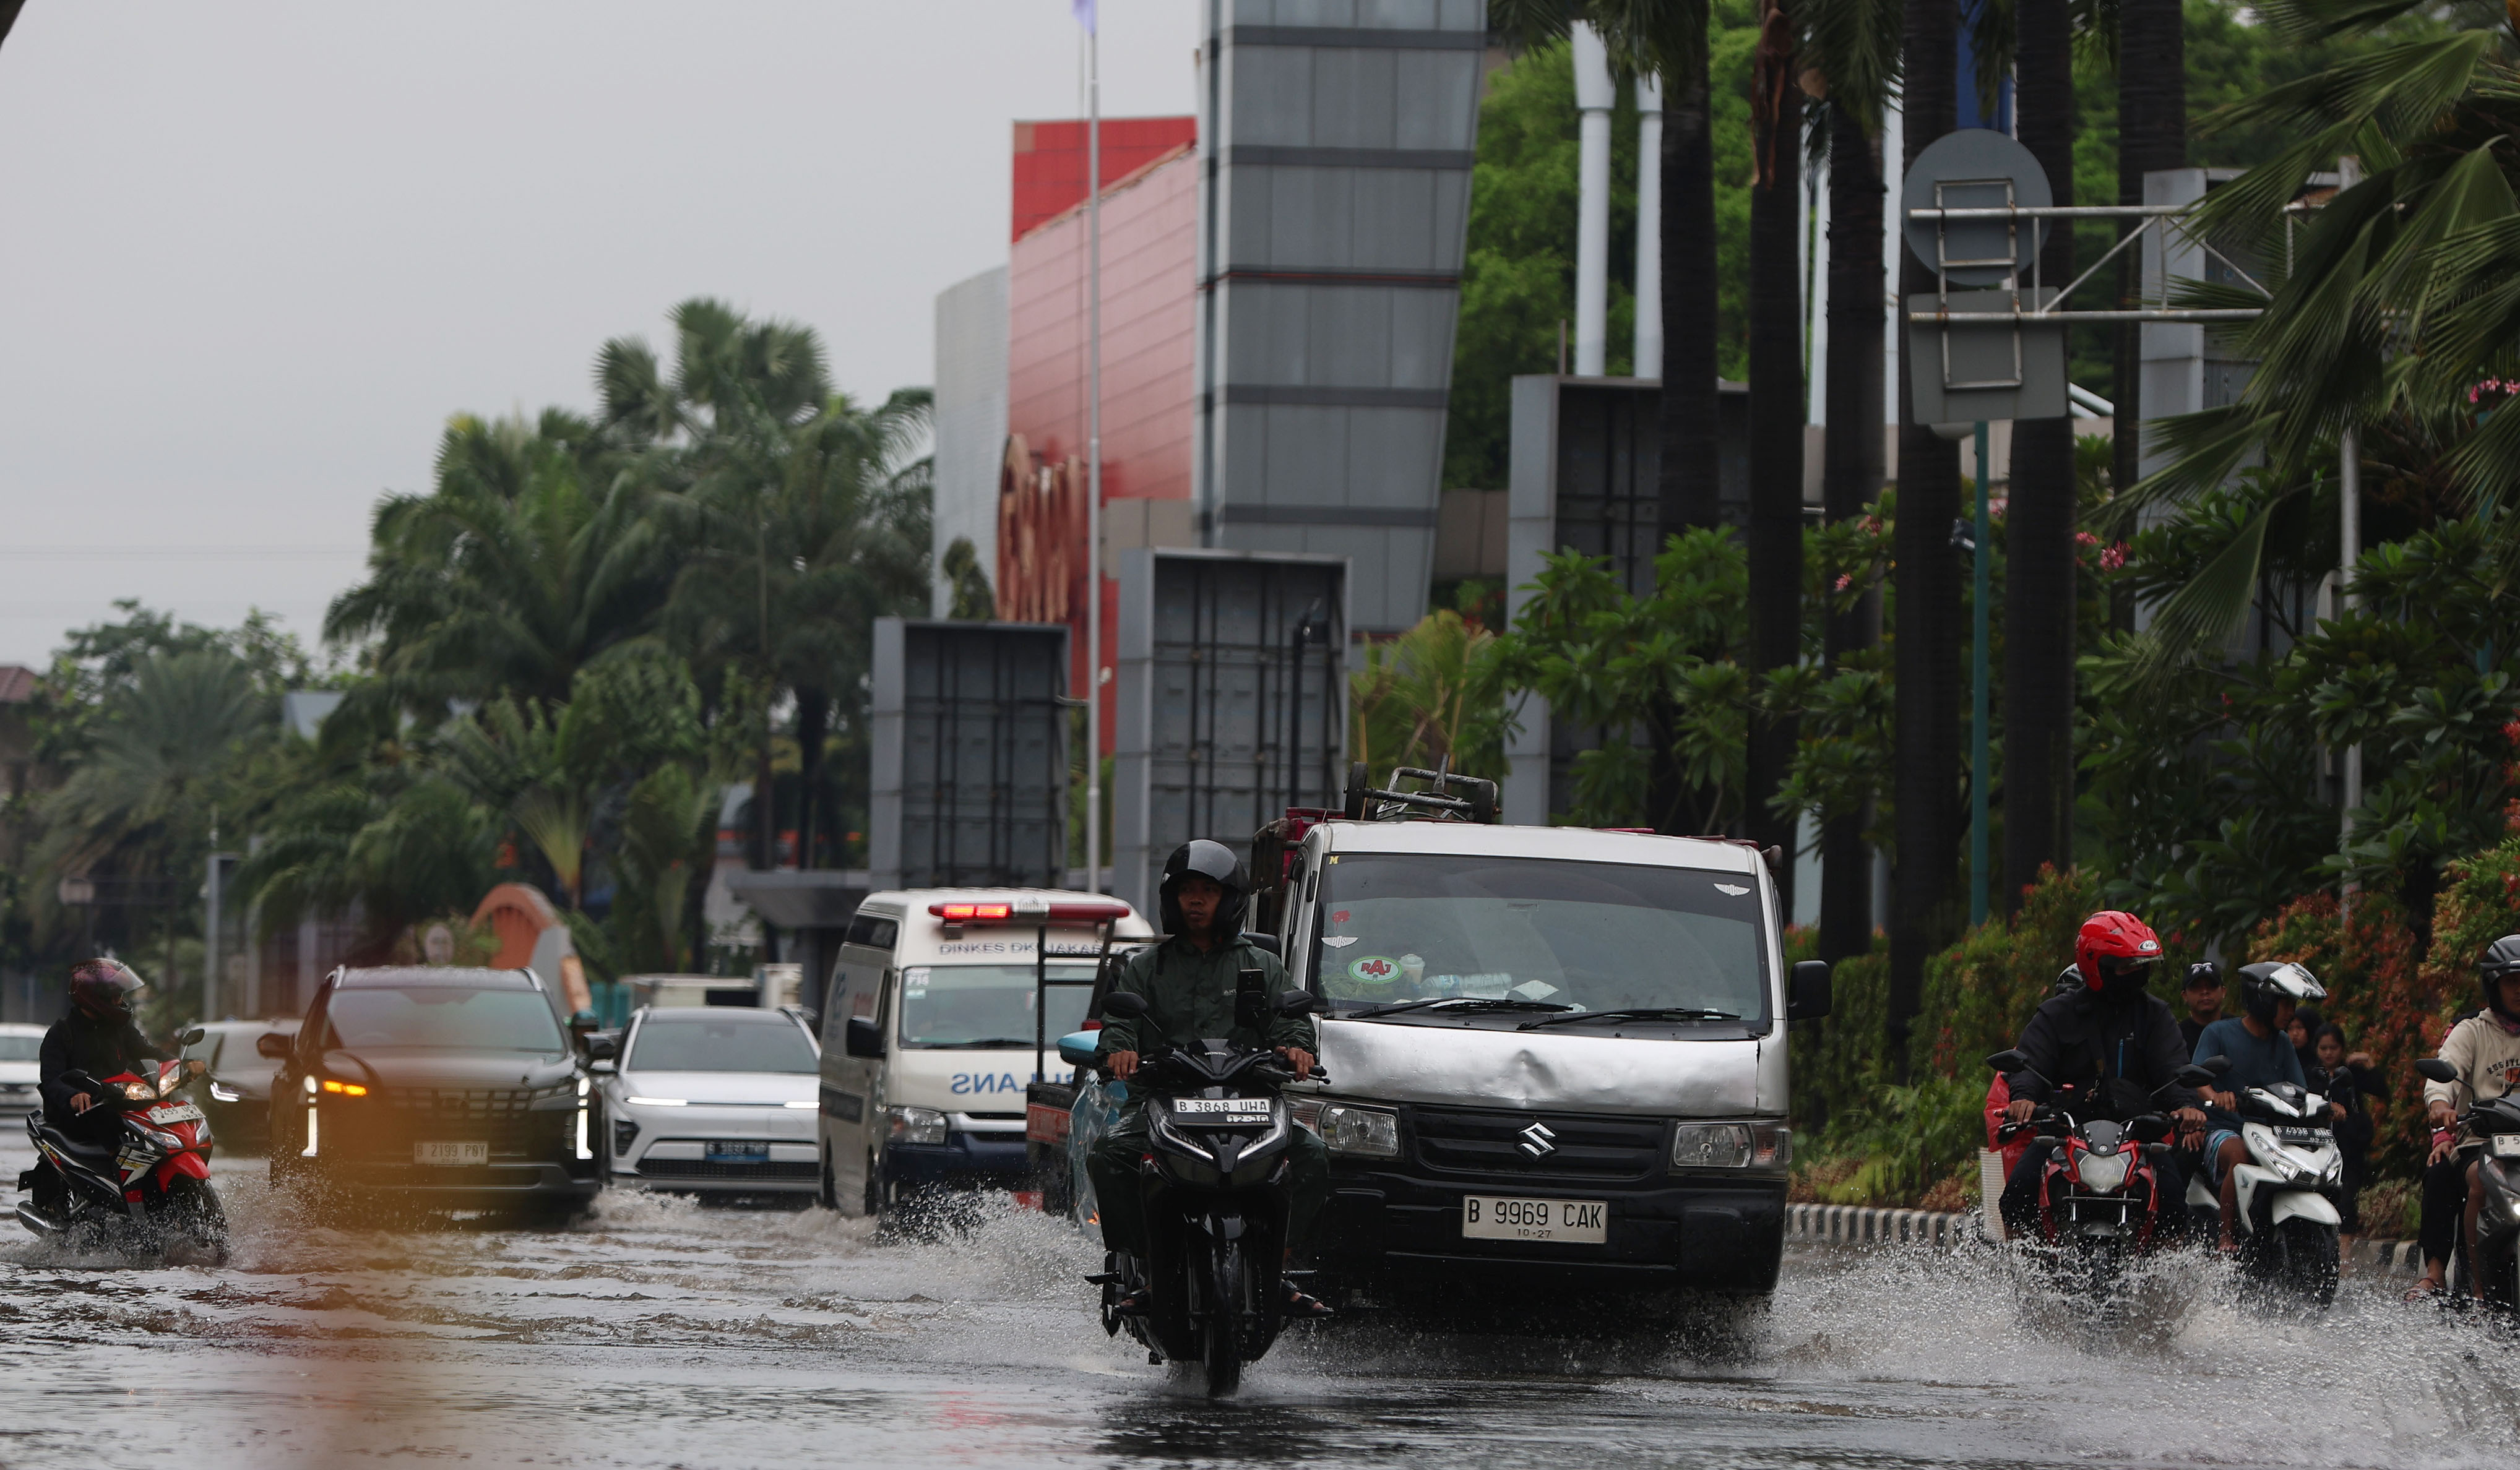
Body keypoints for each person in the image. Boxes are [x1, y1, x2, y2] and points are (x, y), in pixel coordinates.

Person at [1088, 839, 1332, 1318]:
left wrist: (1297, 1048)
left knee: (1312, 1155)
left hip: (1250, 1102)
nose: (1196, 900)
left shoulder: (1262, 965)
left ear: (1231, 899)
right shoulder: (1145, 968)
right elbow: (1118, 1024)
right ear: (1170, 900)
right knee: (1111, 1154)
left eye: (1208, 891)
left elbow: (1291, 1019)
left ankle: (1276, 1267)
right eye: (1186, 891)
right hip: (1165, 1102)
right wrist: (1119, 1050)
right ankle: (1146, 1267)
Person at [1998, 912, 2206, 1236]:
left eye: (2140, 965)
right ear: (2097, 966)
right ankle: (2025, 1268)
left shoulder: (2156, 1015)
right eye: (2126, 967)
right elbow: (2030, 1061)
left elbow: (2174, 1067)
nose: (2135, 974)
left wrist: (2185, 1104)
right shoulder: (2056, 1014)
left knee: (2174, 1202)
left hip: (2137, 1133)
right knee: (2018, 1193)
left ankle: (2166, 1279)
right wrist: (2023, 1098)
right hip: (2065, 1129)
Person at [2407, 934, 2520, 1302]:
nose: (2519, 990)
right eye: (2511, 982)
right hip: (2479, 1141)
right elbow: (2443, 1074)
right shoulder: (2471, 1030)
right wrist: (2440, 1105)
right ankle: (2475, 1286)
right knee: (2479, 1182)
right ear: (2493, 985)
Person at [2193, 961, 2326, 1253]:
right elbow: (2198, 1077)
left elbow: (2299, 1091)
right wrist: (2216, 1096)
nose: (2291, 1012)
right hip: (2224, 1129)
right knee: (2240, 1154)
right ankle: (2226, 1237)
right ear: (2263, 1000)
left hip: (2272, 1133)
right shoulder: (2218, 1033)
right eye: (2285, 1003)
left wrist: (2329, 1105)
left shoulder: (2283, 1043)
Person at [28, 959, 178, 1217]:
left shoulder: (120, 1028)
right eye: (115, 996)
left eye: (122, 995)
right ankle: (122, 1194)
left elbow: (148, 1052)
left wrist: (179, 1064)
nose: (121, 1001)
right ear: (94, 998)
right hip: (80, 1111)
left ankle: (157, 1189)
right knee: (105, 1121)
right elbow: (51, 1080)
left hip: (118, 1101)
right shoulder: (61, 1032)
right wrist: (74, 1095)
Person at [2305, 1022, 2381, 1236]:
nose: (2329, 1053)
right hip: (2317, 1150)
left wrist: (2368, 1061)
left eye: (2334, 1048)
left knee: (2347, 1206)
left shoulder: (2352, 1074)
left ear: (2342, 1048)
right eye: (2324, 1048)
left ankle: (2344, 1266)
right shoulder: (2310, 1076)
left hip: (2349, 1151)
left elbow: (2380, 1088)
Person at [2178, 962, 2225, 1055]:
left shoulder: (2239, 1030)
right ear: (2185, 996)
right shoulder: (2176, 1037)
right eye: (2196, 987)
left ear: (2223, 992)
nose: (2205, 992)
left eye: (2212, 986)